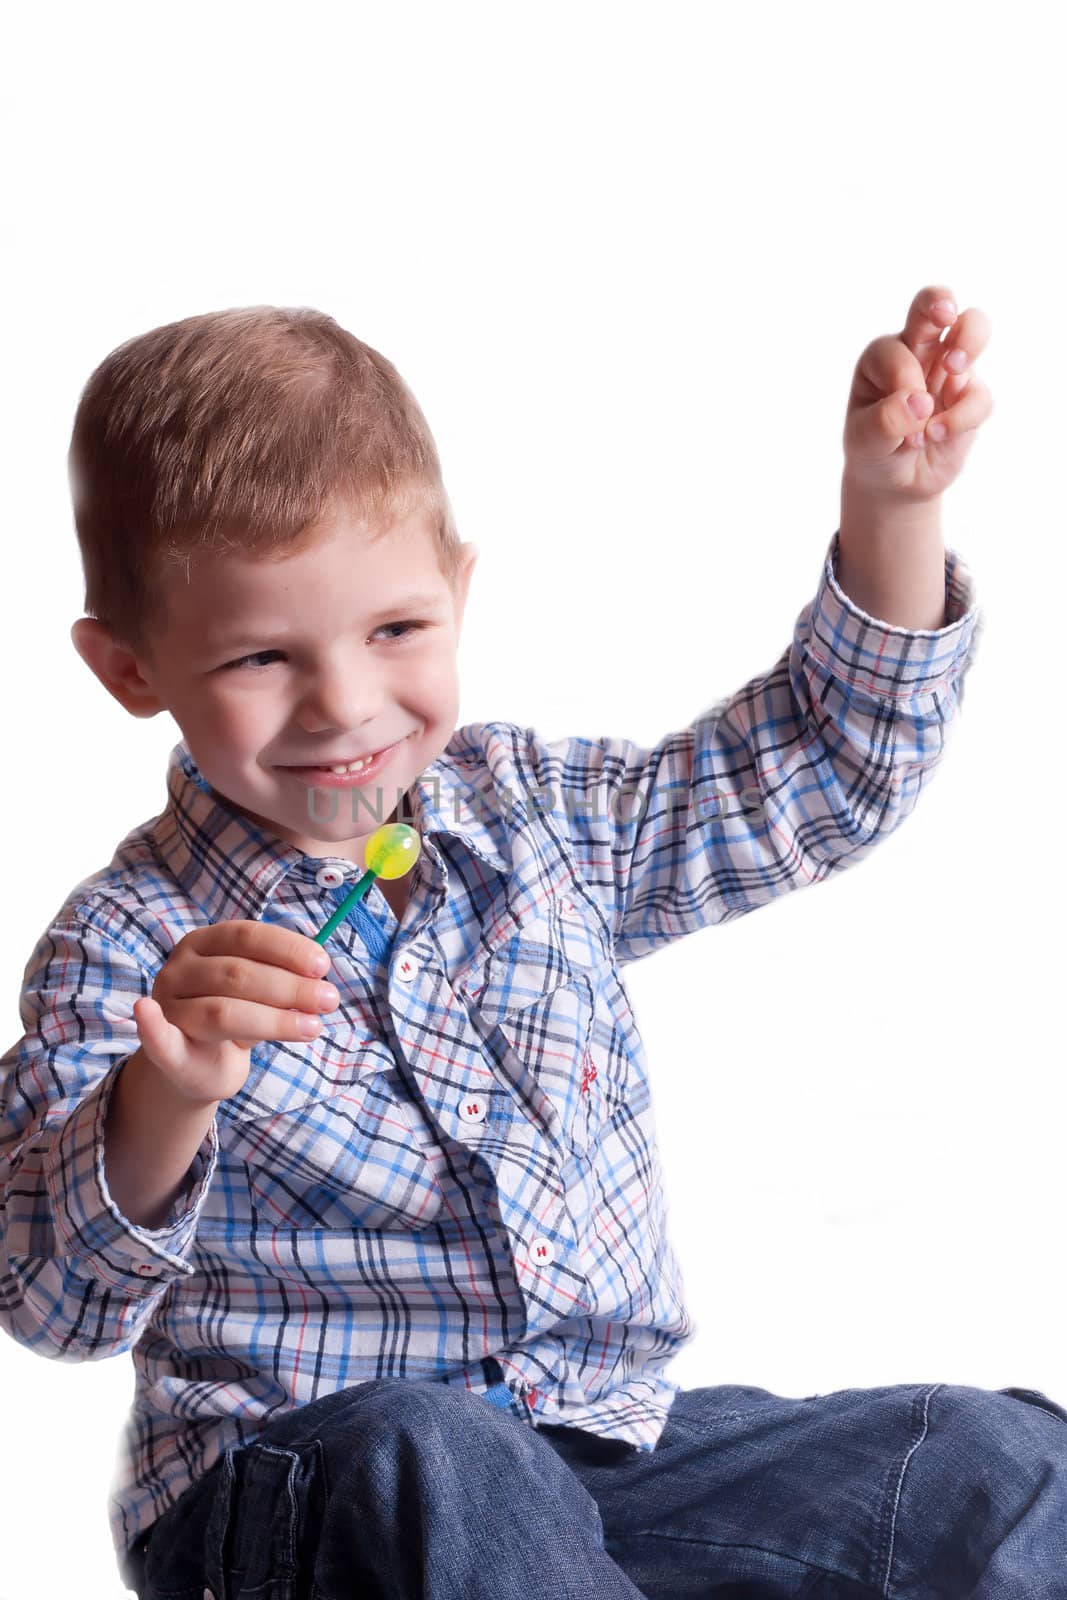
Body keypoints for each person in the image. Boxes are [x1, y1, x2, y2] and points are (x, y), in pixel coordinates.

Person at [1, 290, 1062, 1598]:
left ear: (457, 588)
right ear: (131, 669)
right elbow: (50, 1300)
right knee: (434, 1458)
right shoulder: (128, 948)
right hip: (303, 1490)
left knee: (989, 1465)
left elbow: (809, 779)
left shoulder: (540, 819)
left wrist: (892, 510)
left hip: (607, 1456)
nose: (346, 707)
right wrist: (160, 1099)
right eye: (262, 656)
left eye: (395, 630)